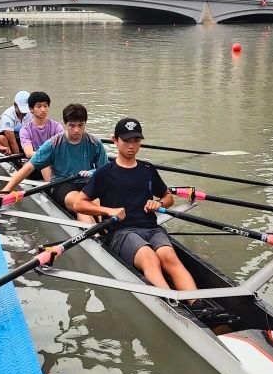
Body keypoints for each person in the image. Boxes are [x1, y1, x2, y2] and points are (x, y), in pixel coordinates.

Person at [76, 118, 199, 298]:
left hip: (151, 228)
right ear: (115, 140)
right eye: (126, 140)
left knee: (169, 257)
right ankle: (172, 302)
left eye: (136, 141)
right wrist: (108, 211)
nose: (132, 146)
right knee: (149, 257)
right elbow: (79, 204)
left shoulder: (148, 169)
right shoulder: (104, 173)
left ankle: (196, 302)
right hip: (121, 232)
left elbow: (168, 197)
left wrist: (159, 203)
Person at [0, 103, 107, 223]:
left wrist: (93, 172)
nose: (76, 130)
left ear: (85, 124)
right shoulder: (53, 143)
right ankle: (95, 237)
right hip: (62, 184)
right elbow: (29, 167)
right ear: (64, 124)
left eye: (80, 125)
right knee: (81, 205)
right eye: (72, 125)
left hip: (87, 182)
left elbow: (106, 170)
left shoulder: (95, 143)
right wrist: (6, 189)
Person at [18, 91, 63, 163]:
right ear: (31, 109)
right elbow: (29, 153)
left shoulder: (57, 126)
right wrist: (45, 157)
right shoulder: (25, 130)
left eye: (45, 106)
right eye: (39, 106)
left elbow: (62, 148)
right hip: (35, 162)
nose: (43, 110)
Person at [0, 90, 31, 155]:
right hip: (12, 141)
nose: (24, 112)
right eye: (22, 109)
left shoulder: (31, 112)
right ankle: (13, 159)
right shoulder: (7, 116)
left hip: (25, 140)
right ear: (15, 105)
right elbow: (12, 142)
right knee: (1, 139)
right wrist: (19, 160)